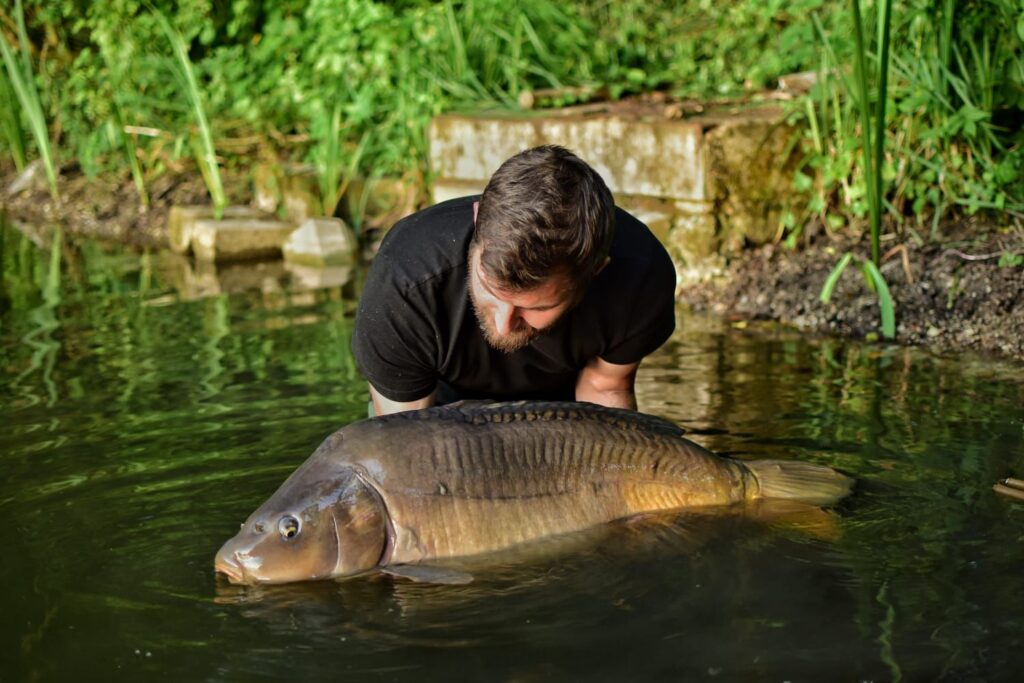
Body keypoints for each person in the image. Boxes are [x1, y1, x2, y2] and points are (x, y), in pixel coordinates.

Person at [352, 145, 676, 416]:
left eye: (537, 307)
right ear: (478, 219)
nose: (504, 325)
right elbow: (404, 437)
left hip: (564, 413)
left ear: (595, 271)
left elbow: (604, 388)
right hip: (435, 405)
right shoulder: (405, 283)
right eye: (489, 288)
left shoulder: (639, 276)